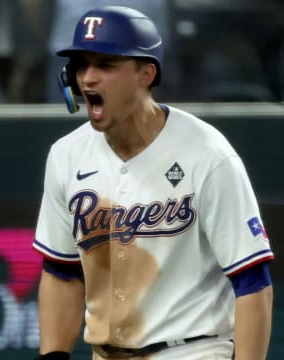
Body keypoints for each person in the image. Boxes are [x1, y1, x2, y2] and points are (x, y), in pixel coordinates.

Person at [32, 5, 273, 360]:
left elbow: (253, 282)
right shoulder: (66, 155)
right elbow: (61, 271)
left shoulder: (207, 154)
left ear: (146, 74)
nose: (88, 78)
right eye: (81, 65)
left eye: (105, 65)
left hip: (194, 351)